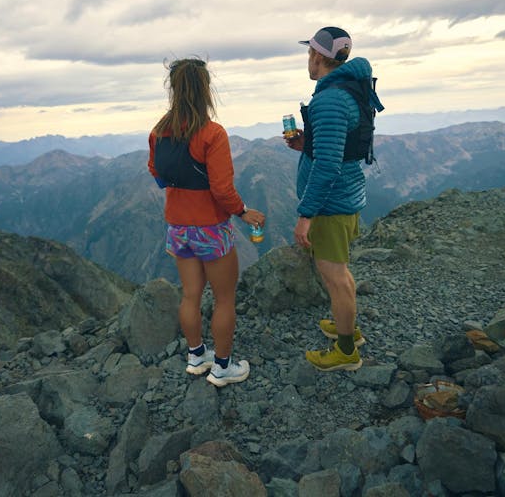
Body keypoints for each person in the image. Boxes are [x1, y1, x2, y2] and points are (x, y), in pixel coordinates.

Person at [148, 57, 265, 387]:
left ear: (173, 90)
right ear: (205, 89)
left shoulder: (159, 132)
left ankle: (196, 357)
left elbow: (156, 170)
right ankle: (224, 368)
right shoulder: (212, 133)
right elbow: (222, 188)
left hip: (178, 227)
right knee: (225, 298)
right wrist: (243, 212)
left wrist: (178, 191)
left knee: (190, 295)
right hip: (211, 228)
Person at [285, 26, 383, 371]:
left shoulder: (329, 100)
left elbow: (327, 167)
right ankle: (348, 329)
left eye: (309, 53)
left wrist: (305, 214)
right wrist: (305, 143)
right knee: (340, 273)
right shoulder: (349, 90)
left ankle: (345, 352)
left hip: (331, 204)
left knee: (335, 276)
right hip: (348, 194)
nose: (307, 60)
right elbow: (341, 146)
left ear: (317, 56)